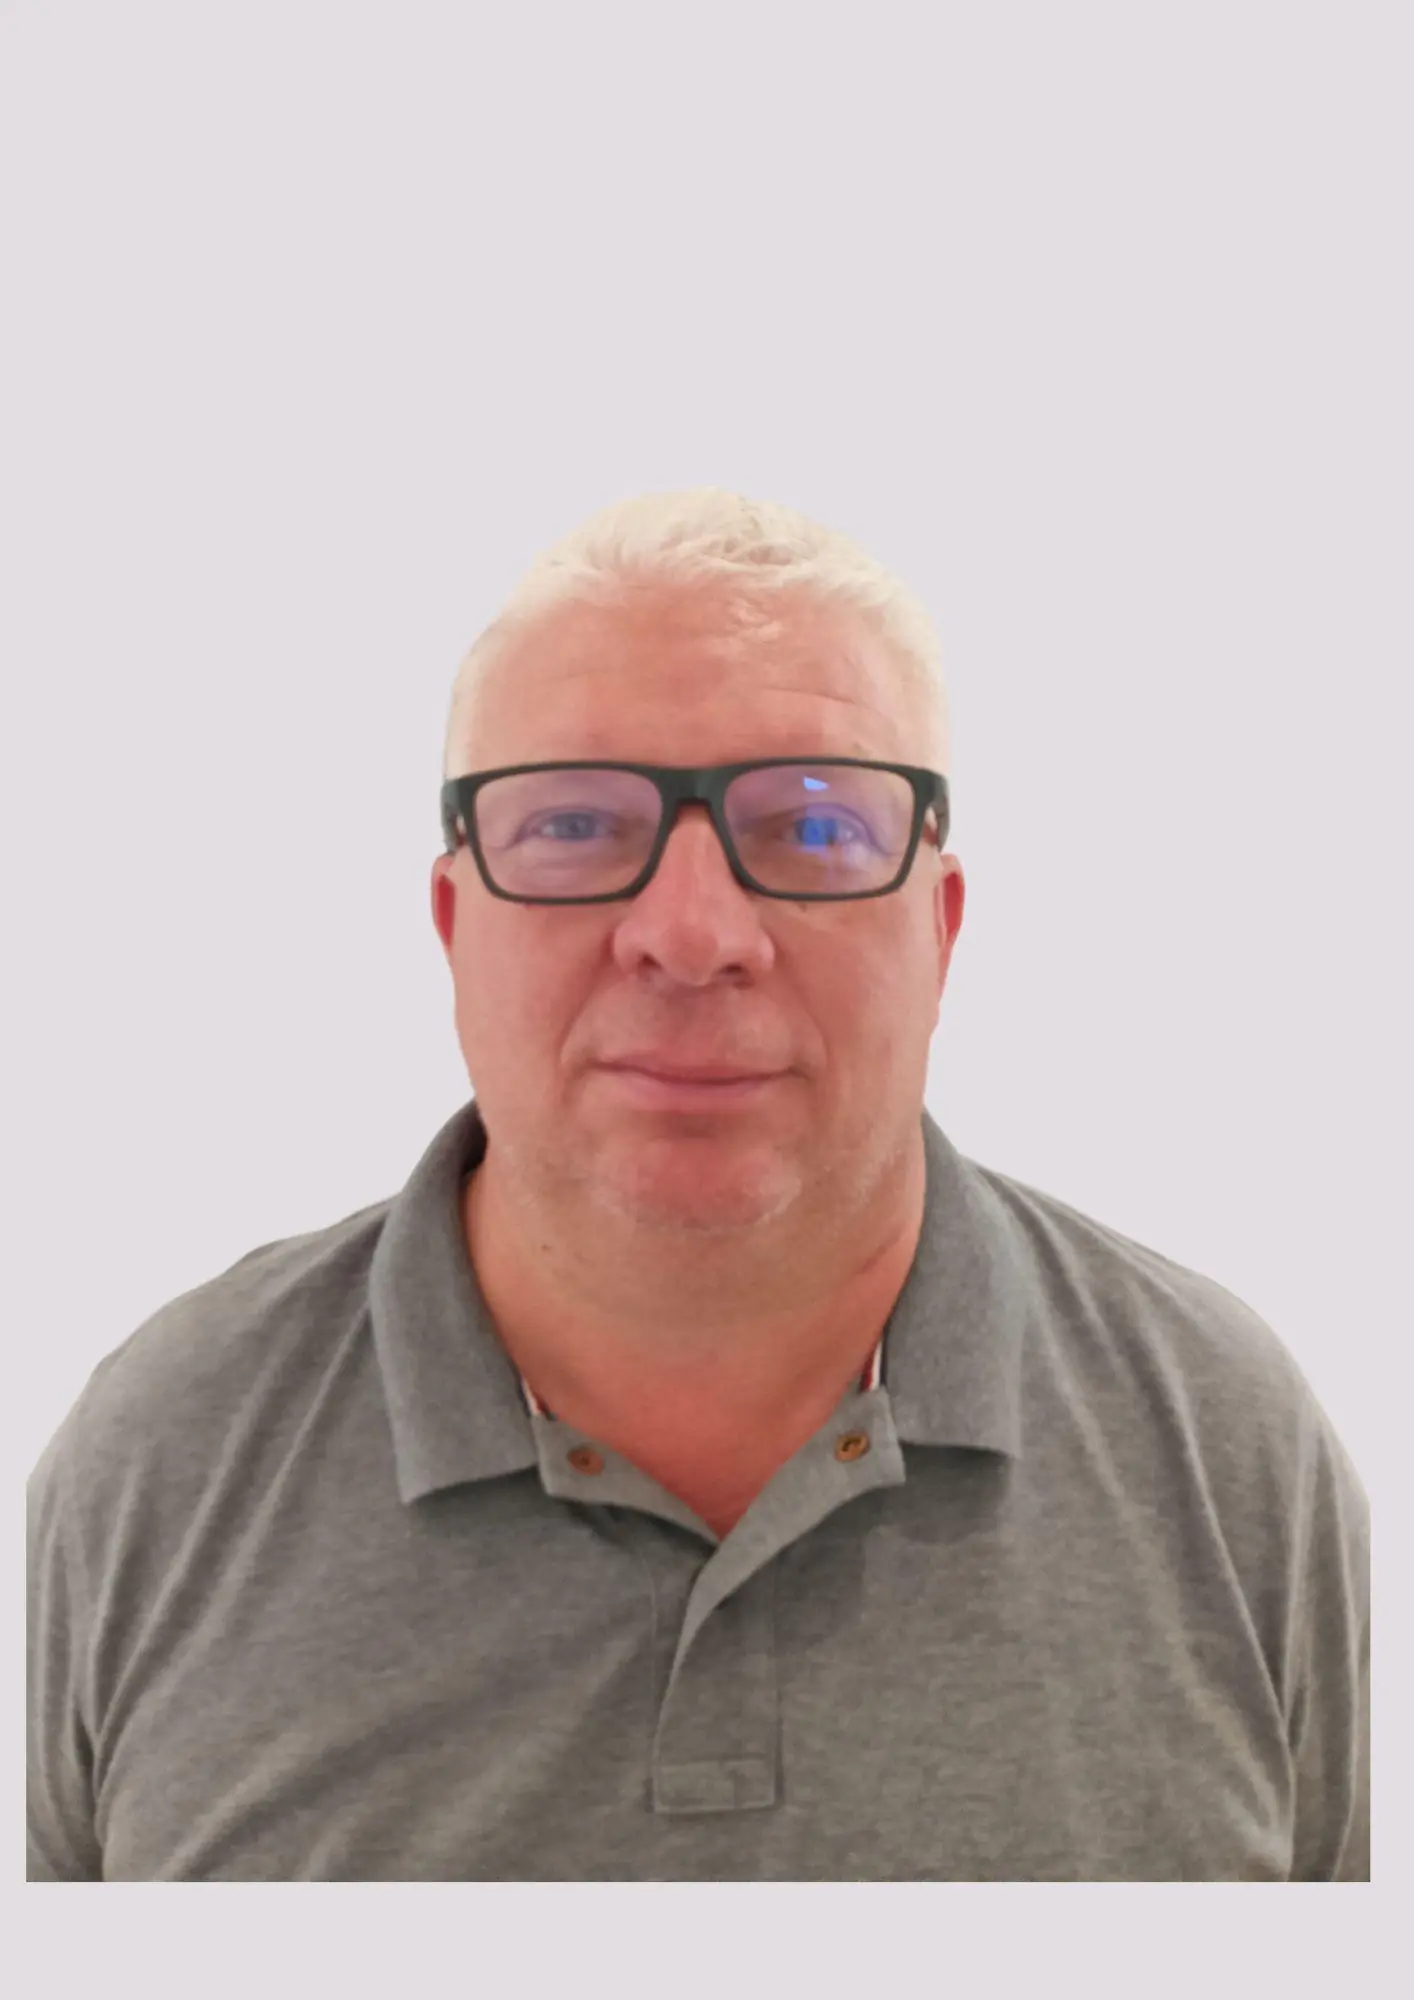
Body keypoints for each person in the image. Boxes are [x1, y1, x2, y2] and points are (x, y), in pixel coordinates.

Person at [27, 488, 1369, 1882]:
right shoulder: (164, 1463)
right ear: (452, 923)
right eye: (573, 823)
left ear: (941, 926)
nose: (690, 932)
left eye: (813, 829)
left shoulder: (1224, 1453)